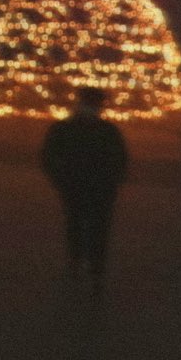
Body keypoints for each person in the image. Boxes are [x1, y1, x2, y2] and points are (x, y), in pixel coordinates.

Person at [40, 87, 129, 288]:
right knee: (89, 226)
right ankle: (88, 265)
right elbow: (120, 161)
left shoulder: (67, 129)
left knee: (83, 225)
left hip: (85, 188)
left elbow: (49, 157)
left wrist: (60, 180)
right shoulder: (105, 131)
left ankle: (83, 264)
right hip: (88, 188)